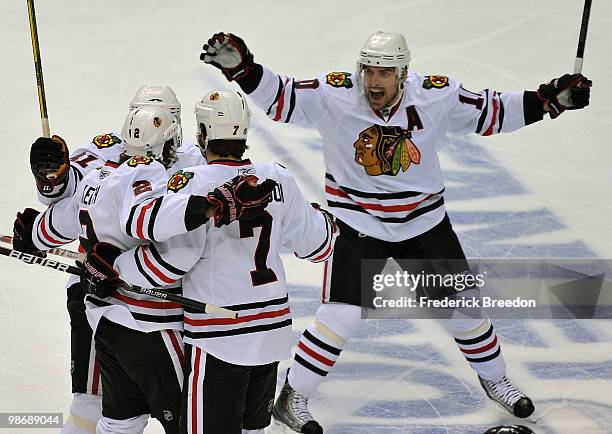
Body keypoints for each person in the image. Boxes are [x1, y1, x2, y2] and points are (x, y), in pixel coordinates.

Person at [199, 30, 592, 432]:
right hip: (357, 226)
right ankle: (293, 396)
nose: (373, 82)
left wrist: (549, 100)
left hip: (424, 225)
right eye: (368, 71)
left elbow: (491, 111)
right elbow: (283, 98)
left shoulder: (436, 95)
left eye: (384, 73)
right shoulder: (335, 94)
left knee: (464, 311)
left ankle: (495, 379)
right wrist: (243, 70)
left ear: (403, 74)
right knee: (342, 316)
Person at [82, 90, 337, 434]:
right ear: (245, 131)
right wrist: (323, 219)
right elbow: (319, 246)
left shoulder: (192, 183)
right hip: (272, 333)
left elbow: (169, 262)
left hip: (220, 340)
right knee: (252, 431)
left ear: (201, 133)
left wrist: (116, 267)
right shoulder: (277, 177)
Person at [14, 106, 276, 434]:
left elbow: (53, 224)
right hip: (150, 326)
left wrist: (32, 236)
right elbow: (166, 240)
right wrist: (211, 207)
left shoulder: (98, 178)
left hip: (106, 323)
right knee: (192, 423)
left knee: (117, 421)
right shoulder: (151, 178)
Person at [12, 85, 205, 434]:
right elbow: (66, 189)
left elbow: (68, 210)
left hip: (109, 300)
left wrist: (36, 235)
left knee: (113, 417)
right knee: (175, 417)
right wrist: (53, 173)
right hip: (138, 309)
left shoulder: (129, 167)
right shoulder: (112, 153)